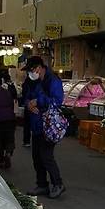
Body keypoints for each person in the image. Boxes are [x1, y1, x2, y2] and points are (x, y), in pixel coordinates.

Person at [25, 55, 65, 199]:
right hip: (36, 124)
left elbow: (58, 101)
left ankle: (58, 183)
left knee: (46, 156)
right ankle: (42, 184)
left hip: (49, 125)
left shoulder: (53, 80)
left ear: (39, 68)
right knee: (37, 156)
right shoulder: (32, 82)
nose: (30, 73)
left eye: (32, 70)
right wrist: (29, 103)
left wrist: (39, 101)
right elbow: (27, 96)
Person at [20, 67, 38, 147]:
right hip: (36, 104)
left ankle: (26, 141)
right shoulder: (39, 82)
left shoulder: (26, 82)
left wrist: (27, 102)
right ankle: (35, 140)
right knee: (35, 123)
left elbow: (24, 94)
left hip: (29, 105)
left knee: (27, 124)